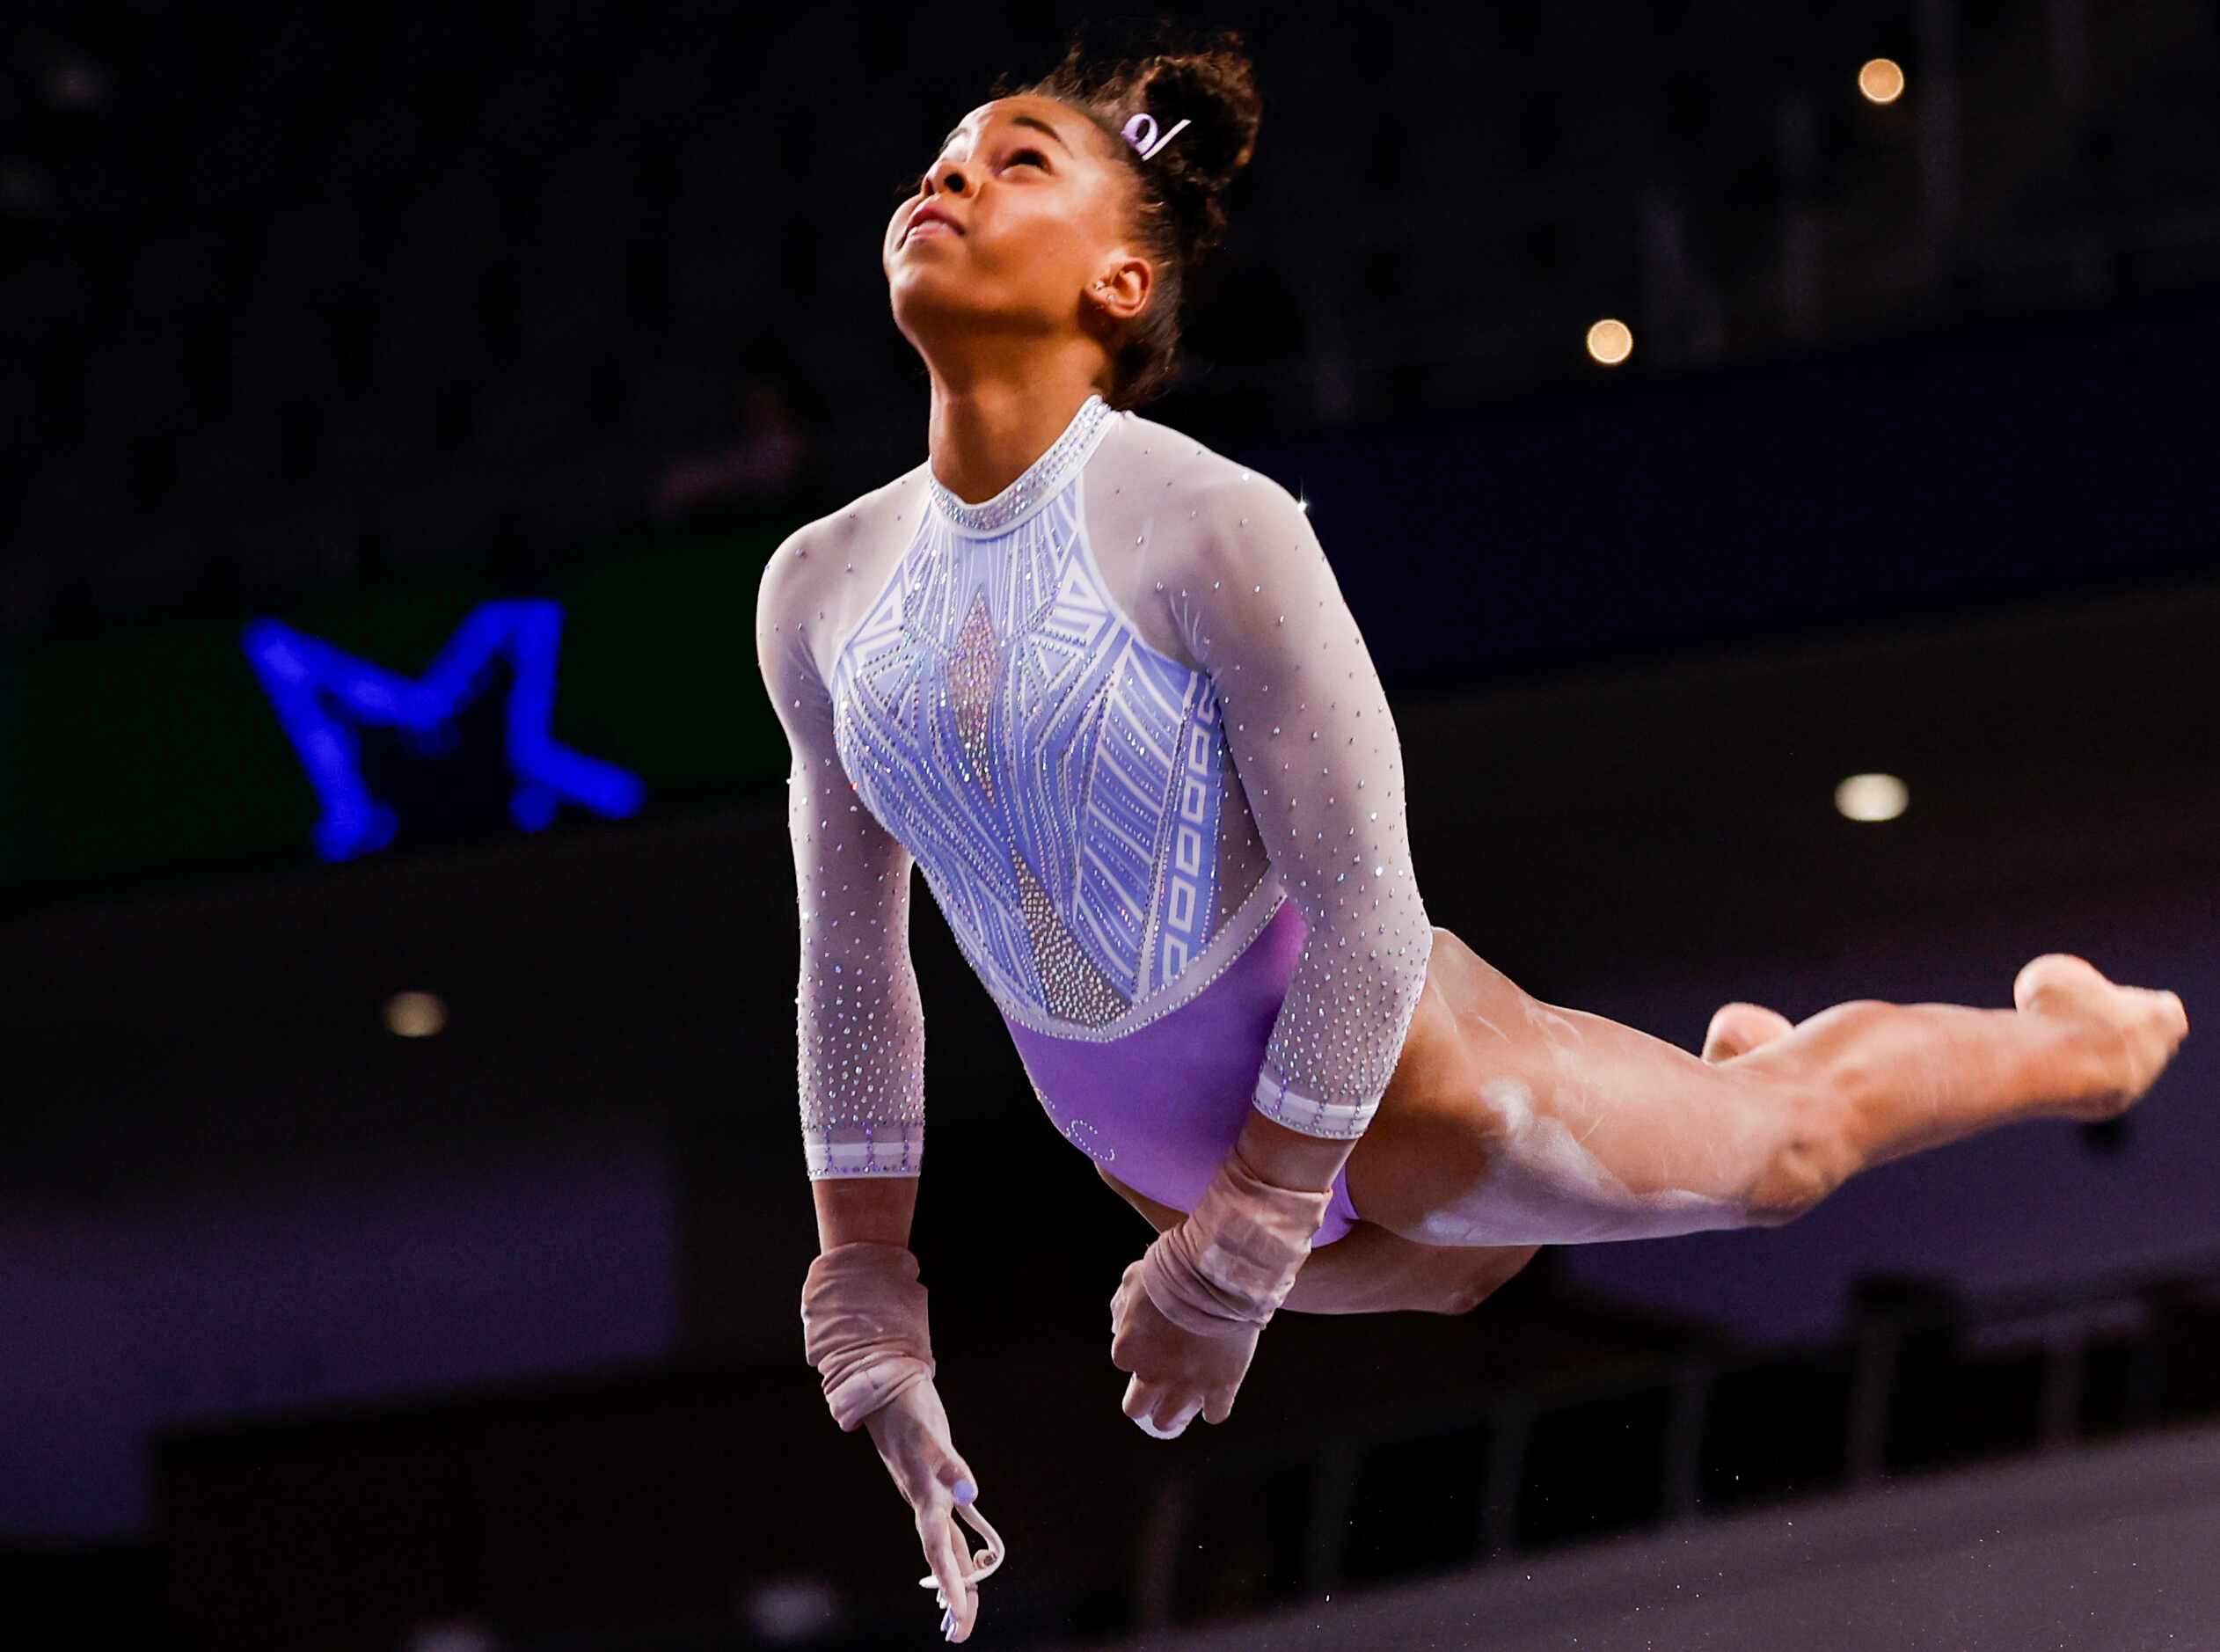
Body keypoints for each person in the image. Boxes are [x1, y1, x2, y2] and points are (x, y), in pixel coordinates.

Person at [755, 28, 2190, 1645]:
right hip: (1151, 1159)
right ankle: (1700, 1079)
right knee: (1454, 1275)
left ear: (1119, 286)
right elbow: (851, 964)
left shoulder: (1209, 524)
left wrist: (1239, 1253)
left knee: (1777, 1155)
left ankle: (2079, 1043)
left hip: (1397, 1089)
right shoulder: (819, 588)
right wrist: (867, 1297)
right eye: (946, 150)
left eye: (1020, 159)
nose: (951, 171)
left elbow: (1368, 929)